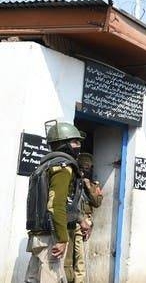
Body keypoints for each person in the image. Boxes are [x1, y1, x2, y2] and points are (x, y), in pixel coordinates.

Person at [25, 121, 85, 282]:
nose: (79, 145)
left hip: (38, 234)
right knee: (50, 277)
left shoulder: (44, 166)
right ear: (63, 144)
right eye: (75, 141)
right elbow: (56, 204)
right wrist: (62, 238)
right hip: (51, 235)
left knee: (32, 278)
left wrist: (80, 219)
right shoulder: (63, 167)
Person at [64, 152, 103, 283]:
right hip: (70, 222)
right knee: (67, 258)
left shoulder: (94, 185)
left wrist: (88, 186)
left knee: (79, 258)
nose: (84, 171)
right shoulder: (72, 180)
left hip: (85, 224)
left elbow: (97, 202)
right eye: (82, 168)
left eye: (87, 168)